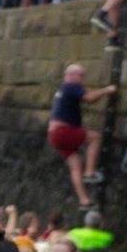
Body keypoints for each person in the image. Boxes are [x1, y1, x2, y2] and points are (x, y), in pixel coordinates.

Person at [49, 64, 117, 208]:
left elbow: (90, 98)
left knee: (75, 166)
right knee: (95, 137)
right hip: (63, 131)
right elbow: (89, 98)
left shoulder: (63, 89)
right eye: (81, 75)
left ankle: (84, 200)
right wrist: (107, 90)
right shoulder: (70, 86)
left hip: (54, 135)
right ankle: (90, 172)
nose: (83, 79)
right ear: (71, 75)